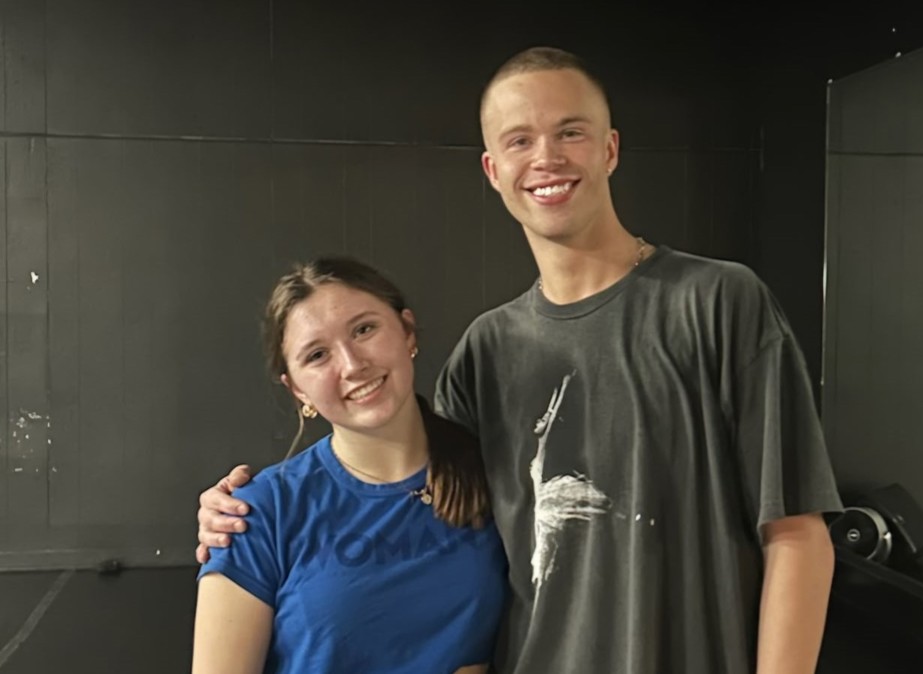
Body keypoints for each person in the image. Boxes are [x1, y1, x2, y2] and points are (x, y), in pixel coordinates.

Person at [196, 47, 842, 673]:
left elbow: (796, 533)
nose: (547, 158)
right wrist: (243, 520)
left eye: (570, 132)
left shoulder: (719, 302)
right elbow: (405, 502)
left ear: (610, 147)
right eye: (519, 140)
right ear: (492, 169)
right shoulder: (487, 352)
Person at [191, 257, 507, 674]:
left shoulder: (497, 477)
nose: (353, 364)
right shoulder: (257, 511)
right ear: (297, 389)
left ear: (407, 331)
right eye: (318, 354)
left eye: (364, 329)